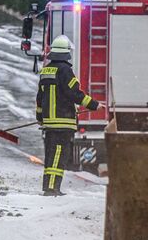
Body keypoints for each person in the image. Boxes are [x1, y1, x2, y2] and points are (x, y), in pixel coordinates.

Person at [36, 35, 100, 196]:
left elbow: (39, 98)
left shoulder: (46, 71)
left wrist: (41, 117)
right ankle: (52, 189)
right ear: (66, 53)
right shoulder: (65, 71)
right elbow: (75, 93)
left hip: (50, 124)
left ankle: (49, 186)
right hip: (63, 123)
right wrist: (94, 105)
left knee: (51, 156)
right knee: (59, 155)